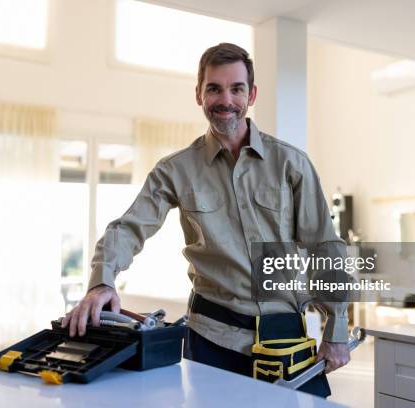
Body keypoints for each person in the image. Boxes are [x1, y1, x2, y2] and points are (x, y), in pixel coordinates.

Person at [61, 43, 349, 398]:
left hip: (286, 338)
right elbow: (128, 227)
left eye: (236, 88)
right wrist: (101, 281)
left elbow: (325, 247)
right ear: (199, 95)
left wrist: (336, 329)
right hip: (213, 340)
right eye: (214, 88)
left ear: (251, 94)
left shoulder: (292, 164)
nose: (225, 99)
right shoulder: (176, 170)